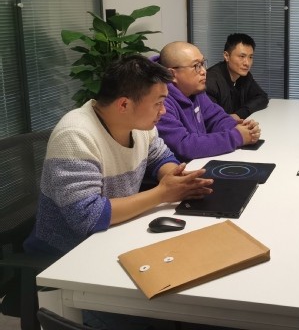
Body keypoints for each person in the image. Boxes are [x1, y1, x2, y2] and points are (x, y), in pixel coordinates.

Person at [24, 55, 213, 259]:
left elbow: (160, 157)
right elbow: (87, 216)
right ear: (123, 105)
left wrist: (177, 178)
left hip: (115, 233)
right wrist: (163, 193)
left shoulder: (140, 125)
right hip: (67, 251)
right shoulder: (75, 135)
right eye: (158, 103)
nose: (163, 110)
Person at [155, 41, 261, 161]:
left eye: (202, 63)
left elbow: (215, 117)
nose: (204, 71)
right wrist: (237, 136)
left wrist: (240, 128)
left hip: (197, 162)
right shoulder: (159, 102)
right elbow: (185, 146)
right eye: (196, 66)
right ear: (172, 74)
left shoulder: (195, 90)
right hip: (180, 168)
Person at [205, 33, 269, 121]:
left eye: (250, 57)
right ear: (226, 56)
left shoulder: (244, 76)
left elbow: (262, 97)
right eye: (242, 56)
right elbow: (211, 119)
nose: (247, 63)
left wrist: (239, 114)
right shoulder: (211, 81)